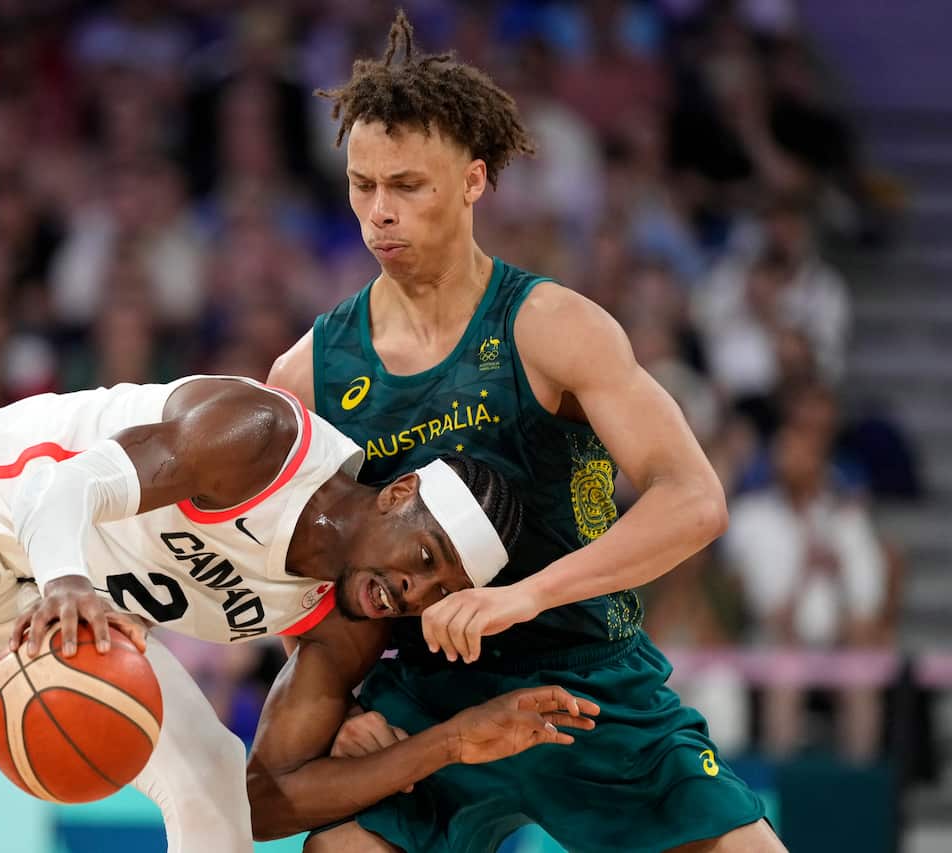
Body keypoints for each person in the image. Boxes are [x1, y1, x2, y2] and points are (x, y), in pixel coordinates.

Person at [253, 12, 784, 853]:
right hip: (426, 696)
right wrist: (341, 702)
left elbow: (694, 499)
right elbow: (284, 557)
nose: (379, 214)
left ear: (472, 181)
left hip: (589, 677)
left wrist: (524, 595)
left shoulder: (552, 327)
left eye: (408, 185)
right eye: (362, 186)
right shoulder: (310, 372)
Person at [0, 374, 598, 853]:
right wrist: (71, 577)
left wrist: (447, 741)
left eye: (436, 592)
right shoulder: (262, 438)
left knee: (209, 781)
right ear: (397, 496)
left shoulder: (347, 618)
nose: (413, 591)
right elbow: (59, 491)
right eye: (423, 559)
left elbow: (264, 799)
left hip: (51, 607)